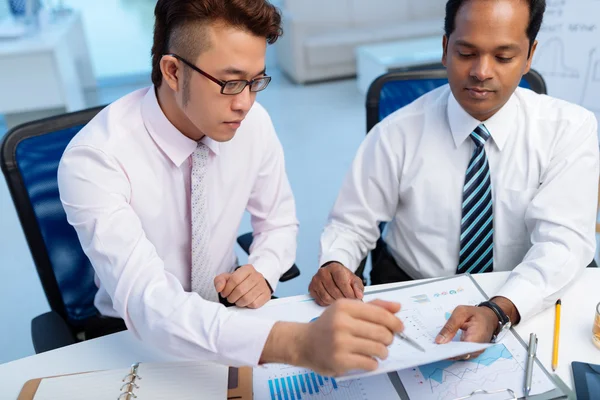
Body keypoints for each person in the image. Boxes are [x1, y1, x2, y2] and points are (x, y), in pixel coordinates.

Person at [58, 0, 405, 375]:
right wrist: (292, 342)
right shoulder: (95, 159)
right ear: (173, 71)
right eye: (231, 82)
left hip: (229, 311)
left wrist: (263, 269)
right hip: (132, 334)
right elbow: (149, 301)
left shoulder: (254, 123)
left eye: (256, 82)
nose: (245, 104)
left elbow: (279, 222)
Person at [312, 0, 599, 357]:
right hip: (417, 298)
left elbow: (562, 244)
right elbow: (352, 223)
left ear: (529, 56)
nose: (481, 72)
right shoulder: (396, 133)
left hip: (526, 302)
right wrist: (335, 262)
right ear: (446, 48)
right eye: (466, 52)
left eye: (504, 57)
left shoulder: (570, 130)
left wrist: (499, 310)